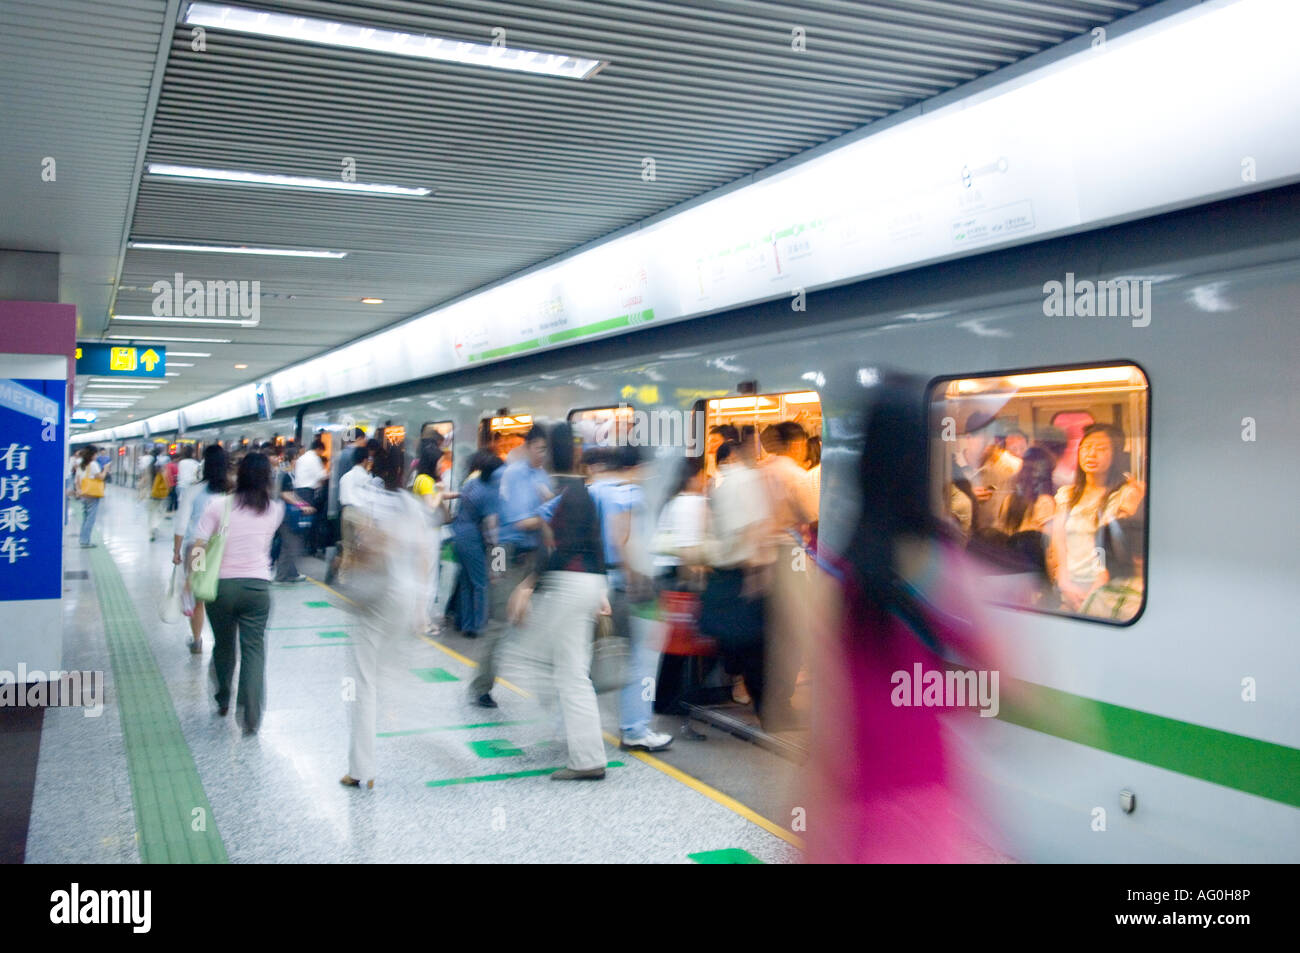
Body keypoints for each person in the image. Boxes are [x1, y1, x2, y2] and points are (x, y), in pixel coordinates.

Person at [803, 373, 1002, 863]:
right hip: (927, 810)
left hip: (856, 814)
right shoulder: (948, 567)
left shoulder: (836, 577)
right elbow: (1000, 687)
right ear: (925, 458)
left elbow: (827, 734)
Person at [501, 422, 611, 781]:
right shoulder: (584, 492)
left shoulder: (562, 494)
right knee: (572, 670)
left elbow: (556, 550)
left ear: (550, 452)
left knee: (562, 670)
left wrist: (528, 585)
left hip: (567, 584)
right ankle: (585, 752)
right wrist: (603, 592)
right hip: (588, 583)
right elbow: (596, 546)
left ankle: (584, 757)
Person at [340, 442, 431, 789]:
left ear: (374, 466)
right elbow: (423, 554)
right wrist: (421, 606)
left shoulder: (370, 497)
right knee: (391, 672)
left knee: (364, 682)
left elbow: (370, 546)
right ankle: (424, 725)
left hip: (376, 594)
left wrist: (352, 564)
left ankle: (361, 770)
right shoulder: (411, 503)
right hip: (405, 597)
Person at [192, 452, 284, 735]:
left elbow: (199, 545)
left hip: (222, 587)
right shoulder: (275, 509)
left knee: (223, 644)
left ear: (239, 475)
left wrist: (193, 577)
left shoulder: (218, 505)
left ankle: (222, 698)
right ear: (267, 479)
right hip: (258, 588)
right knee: (254, 650)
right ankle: (251, 715)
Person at [589, 444, 672, 752]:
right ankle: (636, 729)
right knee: (642, 660)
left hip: (599, 581)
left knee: (599, 655)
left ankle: (575, 722)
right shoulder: (630, 495)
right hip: (627, 587)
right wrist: (634, 579)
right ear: (637, 468)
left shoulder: (595, 490)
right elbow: (620, 537)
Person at [472, 425, 552, 708]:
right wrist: (552, 508)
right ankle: (481, 686)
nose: (544, 454)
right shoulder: (515, 474)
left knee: (537, 621)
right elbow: (520, 521)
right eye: (540, 448)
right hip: (503, 551)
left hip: (531, 554)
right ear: (529, 446)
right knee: (498, 621)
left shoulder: (542, 476)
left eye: (547, 450)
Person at [701, 440, 772, 717]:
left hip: (723, 571)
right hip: (744, 572)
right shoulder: (748, 481)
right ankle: (763, 706)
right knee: (753, 643)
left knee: (735, 640)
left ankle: (742, 689)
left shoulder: (718, 485)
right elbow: (753, 530)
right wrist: (758, 575)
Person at [1049, 423, 1145, 612]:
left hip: (1106, 587)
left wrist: (1097, 587)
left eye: (1101, 449)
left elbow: (1116, 548)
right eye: (1086, 448)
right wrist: (1064, 581)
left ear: (1115, 455)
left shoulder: (1123, 495)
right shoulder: (1067, 495)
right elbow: (1058, 542)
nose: (1091, 454)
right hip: (1070, 585)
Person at [175, 445, 229, 654]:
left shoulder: (194, 490)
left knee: (198, 594)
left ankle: (197, 640)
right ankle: (222, 640)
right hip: (224, 549)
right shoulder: (231, 491)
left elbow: (181, 524)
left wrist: (176, 551)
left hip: (197, 549)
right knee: (221, 593)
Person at [449, 451, 503, 641]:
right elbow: (492, 528)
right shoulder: (490, 492)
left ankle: (464, 623)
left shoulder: (472, 482)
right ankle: (477, 626)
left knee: (466, 581)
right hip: (472, 537)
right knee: (480, 583)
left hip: (458, 533)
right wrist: (498, 561)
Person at [412, 437, 455, 635]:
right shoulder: (425, 481)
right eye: (440, 463)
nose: (442, 466)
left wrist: (452, 494)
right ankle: (422, 623)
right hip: (426, 535)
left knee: (427, 579)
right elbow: (431, 506)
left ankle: (423, 619)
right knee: (427, 581)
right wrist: (441, 492)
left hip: (426, 534)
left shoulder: (424, 481)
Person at [336, 439, 377, 580]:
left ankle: (343, 577)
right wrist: (370, 520)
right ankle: (361, 579)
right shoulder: (366, 478)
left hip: (346, 511)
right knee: (364, 548)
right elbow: (369, 500)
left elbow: (340, 497)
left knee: (347, 548)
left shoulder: (345, 477)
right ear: (365, 460)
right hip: (360, 513)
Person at [272, 444, 313, 583]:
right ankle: (282, 576)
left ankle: (291, 573)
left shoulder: (288, 474)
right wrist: (303, 505)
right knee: (289, 545)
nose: (299, 460)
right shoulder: (285, 475)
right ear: (291, 459)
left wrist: (304, 505)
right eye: (297, 457)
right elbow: (285, 494)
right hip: (284, 514)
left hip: (285, 513)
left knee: (290, 544)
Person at [996, 446, 1056, 536]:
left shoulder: (1044, 503)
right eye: (1025, 468)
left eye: (1033, 470)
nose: (1026, 474)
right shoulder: (1009, 500)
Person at [294, 437, 328, 555]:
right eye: (321, 451)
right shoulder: (314, 458)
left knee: (301, 520)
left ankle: (300, 546)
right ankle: (308, 548)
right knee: (310, 522)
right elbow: (321, 476)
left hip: (298, 492)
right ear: (318, 449)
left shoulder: (301, 458)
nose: (321, 454)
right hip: (308, 492)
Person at [72, 446, 103, 548]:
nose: (97, 455)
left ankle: (83, 539)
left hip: (83, 494)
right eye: (96, 454)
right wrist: (106, 470)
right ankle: (85, 541)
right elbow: (100, 477)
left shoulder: (81, 465)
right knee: (90, 518)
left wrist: (78, 491)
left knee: (85, 518)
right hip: (92, 494)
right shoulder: (93, 464)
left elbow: (76, 480)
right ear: (92, 454)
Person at [147, 452, 170, 541]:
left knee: (152, 514)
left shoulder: (150, 469)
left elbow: (145, 481)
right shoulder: (162, 472)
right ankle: (154, 528)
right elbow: (167, 483)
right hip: (161, 495)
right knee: (159, 513)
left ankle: (151, 531)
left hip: (151, 495)